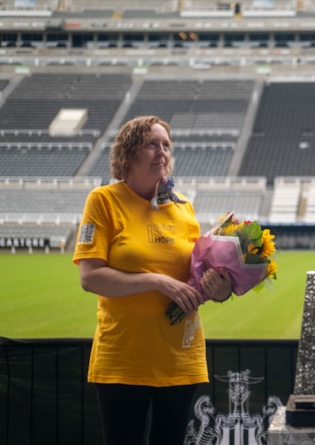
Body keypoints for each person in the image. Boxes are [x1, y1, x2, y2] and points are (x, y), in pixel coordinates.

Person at [73, 116, 232, 445]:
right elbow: (90, 277)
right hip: (123, 359)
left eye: (166, 145)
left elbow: (194, 279)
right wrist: (158, 282)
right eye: (152, 144)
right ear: (129, 152)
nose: (162, 152)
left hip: (181, 359)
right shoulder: (103, 201)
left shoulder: (184, 207)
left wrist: (221, 288)